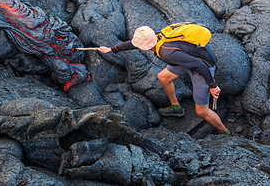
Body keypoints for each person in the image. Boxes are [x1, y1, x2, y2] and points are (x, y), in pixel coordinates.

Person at [99, 25, 231, 135]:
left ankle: (225, 133)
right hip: (185, 59)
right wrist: (111, 49)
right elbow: (133, 44)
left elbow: (198, 64)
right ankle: (176, 108)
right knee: (163, 77)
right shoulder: (157, 36)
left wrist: (213, 85)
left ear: (146, 47)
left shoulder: (166, 53)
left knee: (201, 111)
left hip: (203, 66)